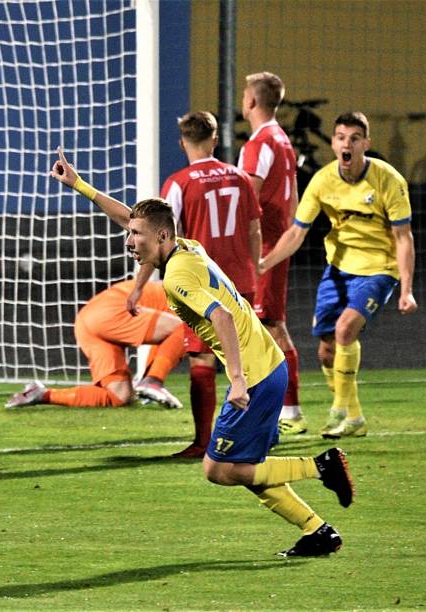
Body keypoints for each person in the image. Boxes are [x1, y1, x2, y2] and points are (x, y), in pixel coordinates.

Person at [51, 146, 355, 557]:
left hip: (255, 376)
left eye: (135, 236)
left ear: (160, 236)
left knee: (219, 469)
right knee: (248, 469)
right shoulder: (186, 246)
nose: (128, 241)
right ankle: (318, 531)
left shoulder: (176, 278)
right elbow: (133, 217)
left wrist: (238, 382)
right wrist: (80, 186)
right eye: (130, 234)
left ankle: (321, 465)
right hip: (269, 363)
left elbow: (223, 319)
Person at [259, 112, 418, 438]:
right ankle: (355, 417)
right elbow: (296, 234)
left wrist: (407, 289)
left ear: (366, 144)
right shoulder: (322, 181)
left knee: (346, 330)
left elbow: (404, 237)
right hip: (338, 270)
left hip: (378, 271)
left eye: (354, 138)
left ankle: (338, 411)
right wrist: (264, 263)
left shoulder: (389, 180)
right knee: (327, 350)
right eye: (341, 137)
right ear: (333, 143)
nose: (347, 144)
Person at [130, 111, 261, 459]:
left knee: (202, 362)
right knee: (249, 363)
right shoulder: (241, 178)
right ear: (215, 139)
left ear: (182, 142)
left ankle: (204, 441)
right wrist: (255, 272)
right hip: (241, 281)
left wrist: (138, 286)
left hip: (203, 284)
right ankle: (261, 432)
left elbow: (157, 240)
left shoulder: (179, 183)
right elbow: (253, 231)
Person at [238, 72, 306, 435]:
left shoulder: (260, 144)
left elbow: (245, 199)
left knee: (270, 325)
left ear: (251, 101)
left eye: (245, 93)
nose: (243, 98)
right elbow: (293, 200)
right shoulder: (283, 142)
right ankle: (273, 406)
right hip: (276, 242)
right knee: (261, 324)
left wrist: (251, 252)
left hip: (261, 246)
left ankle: (289, 410)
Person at [6, 279, 185, 409]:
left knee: (119, 396)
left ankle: (42, 394)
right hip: (113, 312)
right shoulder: (186, 297)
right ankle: (152, 382)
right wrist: (152, 377)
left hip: (87, 320)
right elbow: (177, 335)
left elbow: (164, 340)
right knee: (187, 329)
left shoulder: (173, 285)